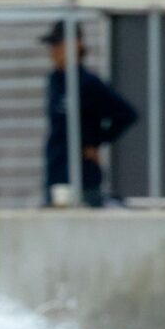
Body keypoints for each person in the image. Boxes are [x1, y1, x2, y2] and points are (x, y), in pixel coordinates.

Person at [41, 22, 140, 209]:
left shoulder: (88, 83)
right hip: (56, 171)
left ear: (75, 45)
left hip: (83, 176)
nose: (53, 51)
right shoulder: (54, 80)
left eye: (57, 45)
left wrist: (95, 142)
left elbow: (126, 114)